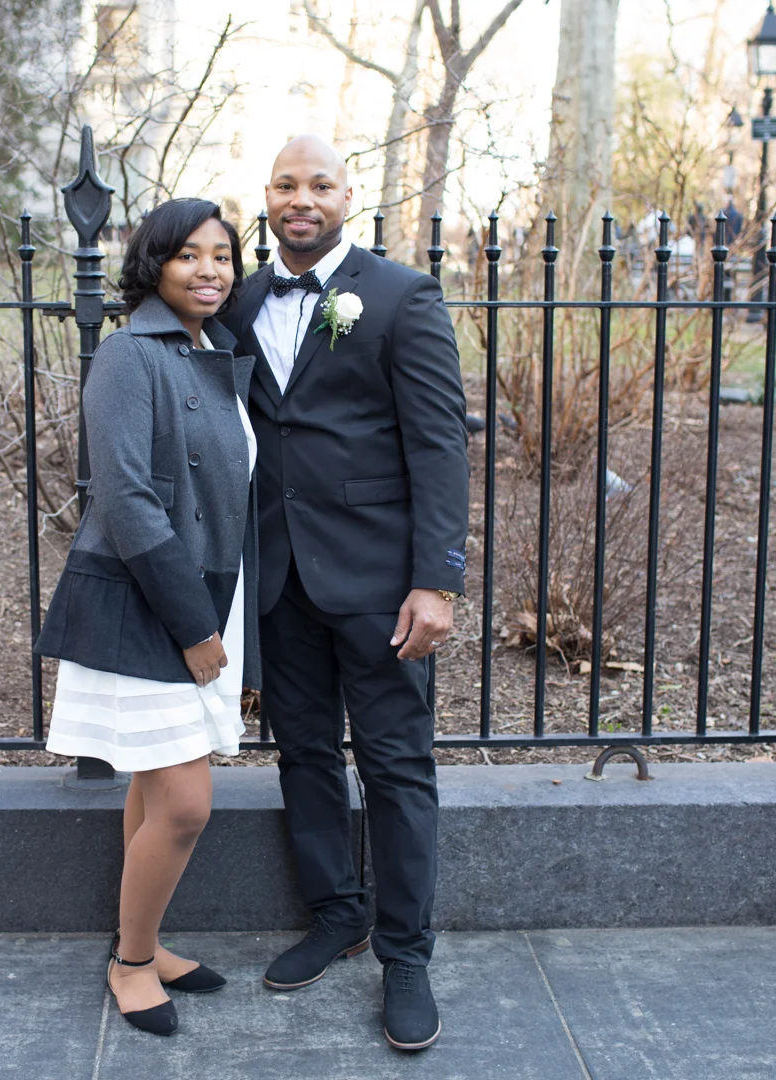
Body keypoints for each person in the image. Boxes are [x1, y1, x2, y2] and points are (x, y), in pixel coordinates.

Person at [219, 135, 470, 1052]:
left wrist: (436, 581)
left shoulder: (402, 296)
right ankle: (337, 912)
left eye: (319, 184)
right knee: (304, 752)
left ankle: (405, 954)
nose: (301, 199)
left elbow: (439, 444)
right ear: (267, 196)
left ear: (347, 196)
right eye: (286, 184)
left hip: (378, 582)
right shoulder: (240, 300)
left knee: (397, 765)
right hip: (279, 574)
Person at [35, 198, 258, 1037]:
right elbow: (127, 499)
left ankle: (145, 942)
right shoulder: (131, 353)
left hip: (205, 593)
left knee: (155, 785)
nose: (210, 270)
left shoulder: (210, 348)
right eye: (189, 255)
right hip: (150, 604)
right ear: (153, 264)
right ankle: (130, 965)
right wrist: (196, 628)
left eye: (222, 256)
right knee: (186, 803)